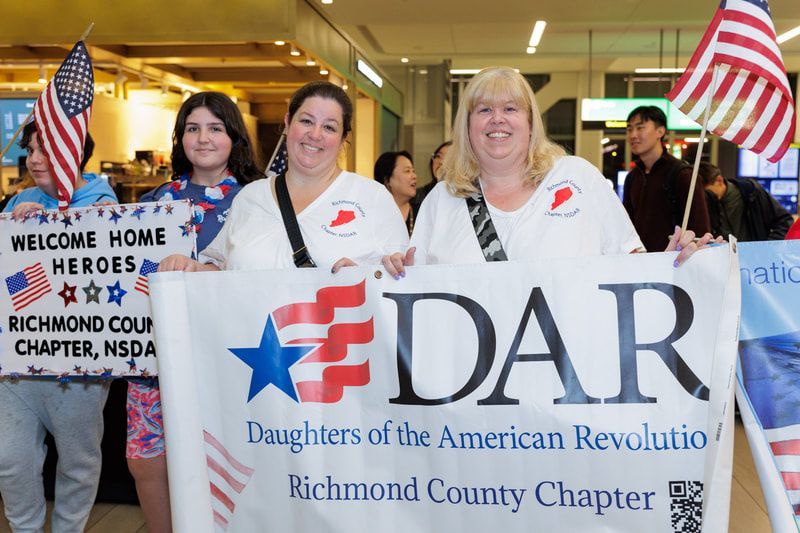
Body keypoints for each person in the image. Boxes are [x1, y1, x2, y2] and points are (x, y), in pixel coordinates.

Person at [382, 67, 715, 276]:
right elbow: (418, 294)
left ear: (530, 122)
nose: (497, 119)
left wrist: (670, 267)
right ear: (467, 126)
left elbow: (631, 269)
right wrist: (385, 277)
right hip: (473, 369)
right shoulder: (443, 199)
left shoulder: (577, 179)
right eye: (484, 110)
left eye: (510, 108)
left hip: (571, 366)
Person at [126, 91, 261, 533]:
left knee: (222, 461)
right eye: (193, 128)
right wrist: (33, 218)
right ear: (180, 137)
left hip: (230, 358)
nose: (203, 138)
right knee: (147, 462)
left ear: (234, 137)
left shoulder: (259, 201)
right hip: (153, 357)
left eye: (215, 128)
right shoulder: (154, 201)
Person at [0, 122, 117, 533]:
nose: (34, 160)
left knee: (78, 462)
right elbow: (8, 279)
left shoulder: (103, 203)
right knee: (10, 460)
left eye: (46, 150)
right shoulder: (19, 201)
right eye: (31, 150)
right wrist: (20, 232)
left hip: (78, 369)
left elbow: (103, 275)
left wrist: (54, 225)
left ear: (74, 152)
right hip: (18, 363)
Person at [159, 80, 408, 271]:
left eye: (329, 127)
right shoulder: (250, 197)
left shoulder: (372, 198)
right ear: (288, 123)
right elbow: (220, 269)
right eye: (306, 121)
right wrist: (192, 269)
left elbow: (403, 284)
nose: (315, 134)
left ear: (344, 138)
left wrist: (366, 281)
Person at [623, 105, 711, 252]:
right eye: (629, 129)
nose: (633, 135)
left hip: (673, 260)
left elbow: (699, 229)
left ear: (660, 131)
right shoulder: (633, 178)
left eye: (640, 128)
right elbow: (627, 226)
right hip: (640, 261)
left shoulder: (682, 174)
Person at [699, 161, 793, 241]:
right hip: (724, 256)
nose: (704, 197)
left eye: (707, 193)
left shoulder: (752, 192)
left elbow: (784, 220)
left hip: (755, 254)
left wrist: (768, 247)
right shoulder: (706, 204)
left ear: (719, 181)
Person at [374, 150, 418, 234]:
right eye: (407, 171)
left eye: (413, 171)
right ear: (387, 180)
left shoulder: (422, 213)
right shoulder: (372, 216)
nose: (414, 176)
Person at [414, 140, 451, 208]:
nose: (441, 162)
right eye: (438, 156)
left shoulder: (464, 196)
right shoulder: (419, 195)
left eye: (448, 157)